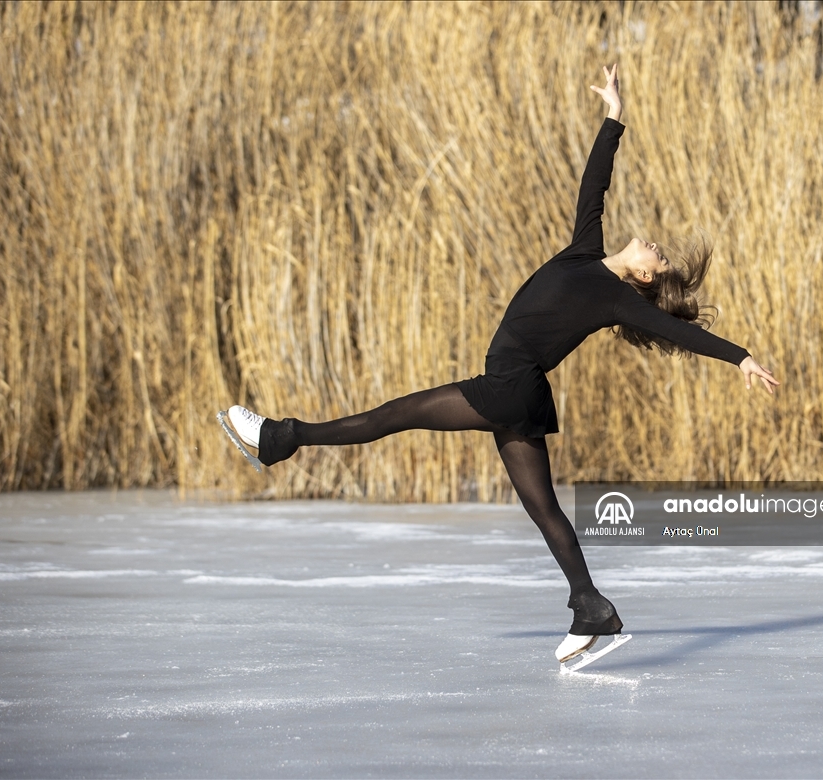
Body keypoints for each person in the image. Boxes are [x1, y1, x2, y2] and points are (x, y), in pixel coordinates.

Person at [224, 64, 780, 664]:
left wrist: (739, 356)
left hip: (508, 387)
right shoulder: (584, 249)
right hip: (524, 395)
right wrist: (614, 116)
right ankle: (591, 608)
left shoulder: (617, 297)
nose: (653, 245)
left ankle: (279, 439)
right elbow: (595, 185)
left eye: (657, 256)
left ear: (643, 276)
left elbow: (678, 332)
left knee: (392, 416)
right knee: (543, 509)